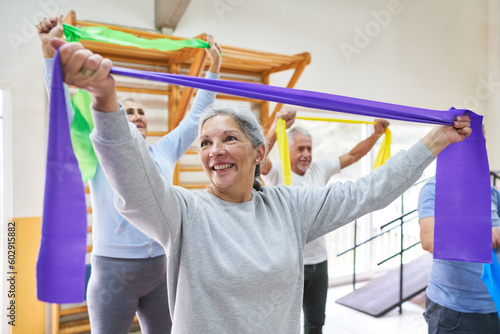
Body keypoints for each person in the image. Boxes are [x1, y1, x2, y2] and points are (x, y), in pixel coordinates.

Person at [51, 37, 471, 333]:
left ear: (259, 154)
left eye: (229, 138)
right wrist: (105, 102)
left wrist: (436, 140)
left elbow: (370, 191)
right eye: (205, 143)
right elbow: (133, 182)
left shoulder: (289, 208)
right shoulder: (184, 214)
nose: (214, 149)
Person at [37, 17, 222, 334]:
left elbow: (197, 116)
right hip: (112, 273)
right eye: (129, 111)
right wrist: (47, 53)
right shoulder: (100, 150)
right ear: (116, 117)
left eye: (141, 113)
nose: (135, 116)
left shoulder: (163, 151)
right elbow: (63, 108)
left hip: (160, 270)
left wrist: (214, 68)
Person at [260, 109, 389, 333]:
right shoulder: (275, 172)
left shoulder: (319, 169)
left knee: (316, 322)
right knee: (283, 323)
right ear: (287, 148)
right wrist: (276, 127)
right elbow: (257, 157)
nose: (306, 154)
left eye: (309, 148)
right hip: (290, 264)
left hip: (319, 262)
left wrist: (376, 134)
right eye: (300, 148)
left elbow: (353, 155)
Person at [418, 176, 500, 333]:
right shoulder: (435, 187)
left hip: (494, 306)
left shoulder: (490, 190)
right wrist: (481, 236)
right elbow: (430, 240)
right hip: (454, 311)